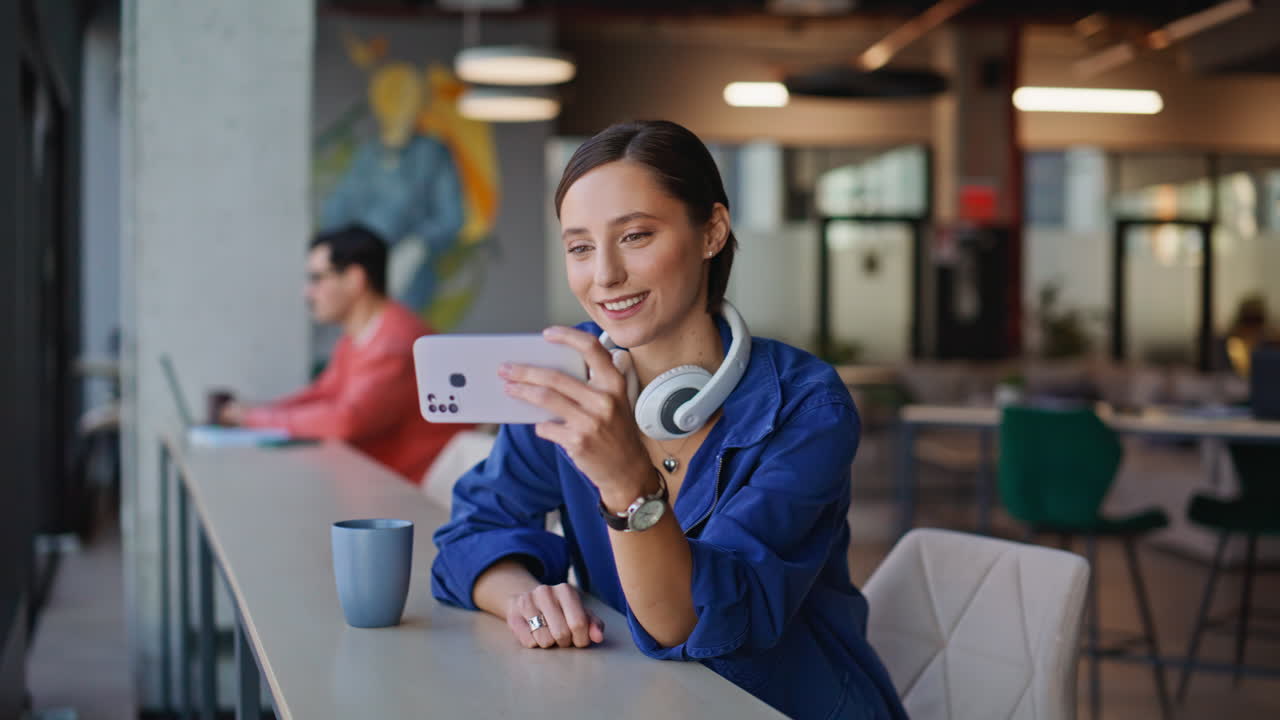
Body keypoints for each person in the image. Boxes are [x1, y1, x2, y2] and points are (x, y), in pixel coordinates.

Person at [430, 121, 907, 719]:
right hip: (632, 697)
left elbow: (693, 621)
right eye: (579, 247)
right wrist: (524, 598)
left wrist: (627, 482)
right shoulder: (575, 376)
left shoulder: (806, 408)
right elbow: (468, 536)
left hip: (781, 704)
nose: (604, 275)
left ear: (711, 230)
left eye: (634, 236)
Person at [219, 226, 468, 484]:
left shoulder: (395, 344)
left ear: (354, 279)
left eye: (317, 279)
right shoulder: (357, 338)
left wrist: (250, 418)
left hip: (417, 499)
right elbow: (323, 394)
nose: (308, 293)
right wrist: (256, 413)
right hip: (383, 487)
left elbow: (345, 421)